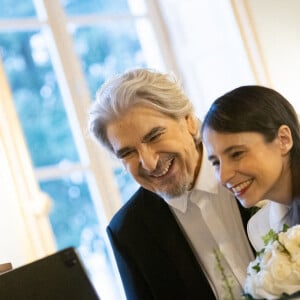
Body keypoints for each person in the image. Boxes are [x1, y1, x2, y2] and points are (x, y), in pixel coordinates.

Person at [88, 68, 254, 300]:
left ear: (189, 122)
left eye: (154, 136)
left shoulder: (253, 163)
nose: (148, 162)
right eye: (128, 152)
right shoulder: (128, 231)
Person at [201, 85, 300, 251]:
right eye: (216, 163)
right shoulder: (258, 228)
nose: (224, 177)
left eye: (236, 154)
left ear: (283, 139)